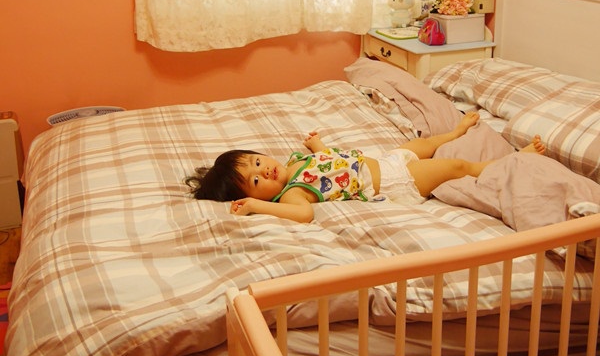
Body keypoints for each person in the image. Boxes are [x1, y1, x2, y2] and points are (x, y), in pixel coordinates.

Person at [185, 112, 546, 223]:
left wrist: (317, 145)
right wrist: (255, 206)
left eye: (257, 162)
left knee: (422, 145)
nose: (264, 171)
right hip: (394, 182)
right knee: (455, 166)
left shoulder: (295, 163)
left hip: (386, 160)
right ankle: (513, 159)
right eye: (255, 181)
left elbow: (329, 164)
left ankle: (454, 132)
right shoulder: (293, 194)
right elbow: (305, 215)